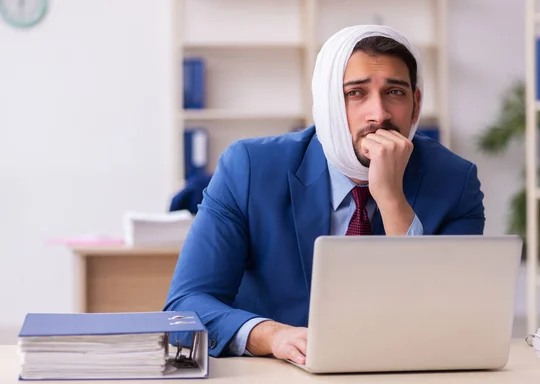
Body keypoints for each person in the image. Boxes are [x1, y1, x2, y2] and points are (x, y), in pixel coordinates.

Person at [163, 25, 485, 365]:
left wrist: (391, 199)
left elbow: (449, 318)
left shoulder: (455, 181)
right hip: (276, 378)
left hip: (402, 373)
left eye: (395, 92)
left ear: (416, 104)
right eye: (356, 94)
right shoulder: (251, 168)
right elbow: (185, 305)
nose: (379, 114)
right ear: (329, 102)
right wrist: (272, 335)